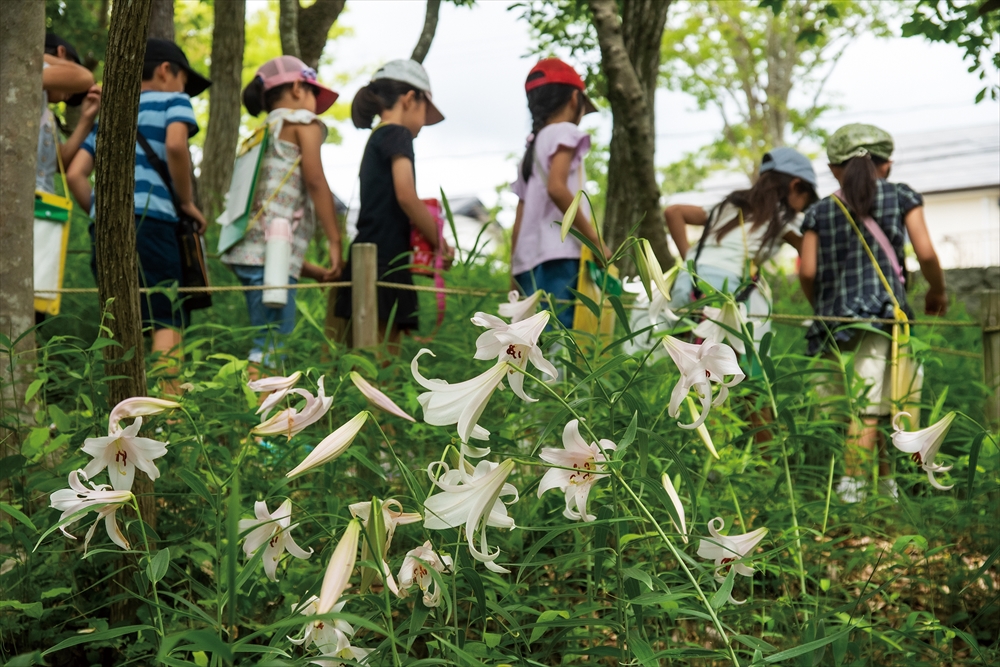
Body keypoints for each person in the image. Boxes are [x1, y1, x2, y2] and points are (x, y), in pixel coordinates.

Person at [799, 123, 947, 503]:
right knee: (874, 406)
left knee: (868, 403)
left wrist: (822, 308)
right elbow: (926, 253)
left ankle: (885, 486)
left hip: (832, 321)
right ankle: (852, 492)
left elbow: (808, 271)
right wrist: (937, 290)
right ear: (887, 165)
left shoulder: (820, 210)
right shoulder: (900, 196)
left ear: (835, 169)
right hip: (882, 316)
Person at [67, 38, 211, 396]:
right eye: (183, 81)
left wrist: (102, 215)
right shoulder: (173, 101)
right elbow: (177, 145)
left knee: (120, 318)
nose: (185, 91)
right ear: (165, 71)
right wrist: (186, 202)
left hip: (104, 228)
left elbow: (75, 175)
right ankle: (167, 412)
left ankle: (124, 407)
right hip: (156, 223)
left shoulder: (112, 113)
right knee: (165, 315)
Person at [220, 56, 344, 369]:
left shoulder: (261, 134)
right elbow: (316, 180)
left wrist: (312, 271)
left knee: (267, 335)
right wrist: (334, 241)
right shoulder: (304, 123)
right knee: (273, 343)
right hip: (269, 258)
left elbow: (270, 219)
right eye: (314, 93)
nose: (316, 103)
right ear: (300, 88)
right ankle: (260, 414)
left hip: (248, 253)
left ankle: (258, 410)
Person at [332, 59, 450, 351]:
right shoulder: (398, 134)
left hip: (365, 255)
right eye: (425, 112)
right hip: (386, 261)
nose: (423, 124)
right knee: (384, 358)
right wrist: (440, 242)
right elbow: (406, 195)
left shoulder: (376, 137)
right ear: (411, 99)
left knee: (355, 355)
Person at [664, 147, 819, 347]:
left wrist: (691, 263)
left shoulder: (730, 204)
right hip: (725, 289)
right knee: (726, 364)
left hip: (687, 283)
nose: (803, 208)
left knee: (686, 355)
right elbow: (809, 258)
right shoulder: (784, 216)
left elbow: (673, 211)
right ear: (796, 185)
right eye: (806, 201)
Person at [510, 58, 604, 330]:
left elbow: (521, 213)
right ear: (575, 99)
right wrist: (595, 241)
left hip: (526, 260)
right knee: (560, 339)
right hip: (560, 253)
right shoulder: (565, 132)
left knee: (531, 337)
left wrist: (512, 268)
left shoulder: (532, 146)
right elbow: (557, 187)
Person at [35, 34, 101, 322]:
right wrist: (33, 54)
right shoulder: (23, 80)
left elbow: (59, 163)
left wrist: (86, 120)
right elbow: (84, 77)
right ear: (61, 52)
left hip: (42, 209)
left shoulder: (44, 110)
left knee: (36, 303)